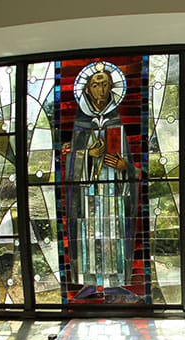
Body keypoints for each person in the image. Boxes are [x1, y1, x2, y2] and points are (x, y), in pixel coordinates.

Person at [64, 60, 140, 304]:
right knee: (87, 235)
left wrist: (123, 166)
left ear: (111, 89)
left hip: (113, 193)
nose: (101, 90)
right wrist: (88, 155)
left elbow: (127, 162)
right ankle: (89, 283)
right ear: (87, 89)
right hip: (87, 195)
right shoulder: (81, 123)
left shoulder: (116, 122)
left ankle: (115, 284)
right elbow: (71, 162)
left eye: (105, 85)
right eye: (96, 85)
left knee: (113, 234)